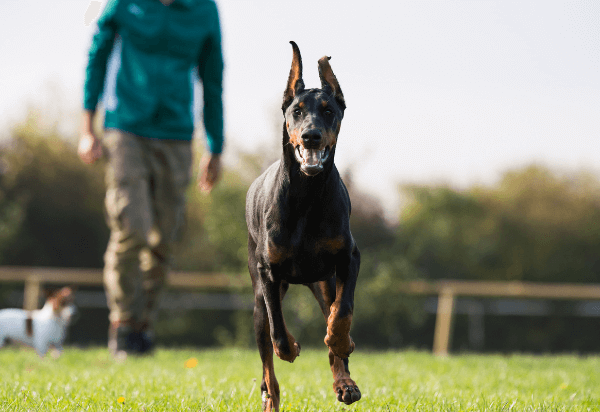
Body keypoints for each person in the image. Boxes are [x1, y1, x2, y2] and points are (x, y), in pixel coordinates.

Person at [78, 0, 224, 358]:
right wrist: (87, 127)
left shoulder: (204, 10)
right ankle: (124, 325)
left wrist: (215, 146)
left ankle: (143, 327)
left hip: (176, 134)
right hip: (125, 126)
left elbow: (213, 76)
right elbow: (97, 56)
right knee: (133, 228)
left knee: (163, 241)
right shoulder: (123, 4)